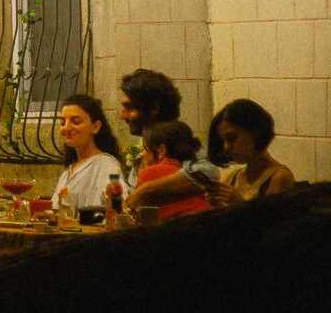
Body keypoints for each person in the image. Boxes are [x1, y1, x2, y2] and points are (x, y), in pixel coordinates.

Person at [119, 68, 220, 211]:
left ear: (154, 108)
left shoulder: (183, 144)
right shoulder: (142, 155)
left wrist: (147, 189)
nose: (122, 116)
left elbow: (208, 173)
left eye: (129, 107)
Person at [204, 99, 295, 207]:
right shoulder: (231, 178)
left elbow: (274, 217)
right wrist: (218, 206)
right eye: (223, 141)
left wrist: (240, 204)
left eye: (232, 138)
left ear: (255, 132)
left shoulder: (279, 178)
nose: (226, 147)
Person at [50, 94, 128, 211]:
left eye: (76, 122)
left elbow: (119, 204)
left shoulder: (105, 164)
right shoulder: (70, 169)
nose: (66, 128)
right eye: (62, 123)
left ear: (95, 127)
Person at [137, 121, 212, 221]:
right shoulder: (192, 171)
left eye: (145, 149)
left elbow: (138, 216)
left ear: (162, 150)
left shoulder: (150, 173)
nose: (142, 154)